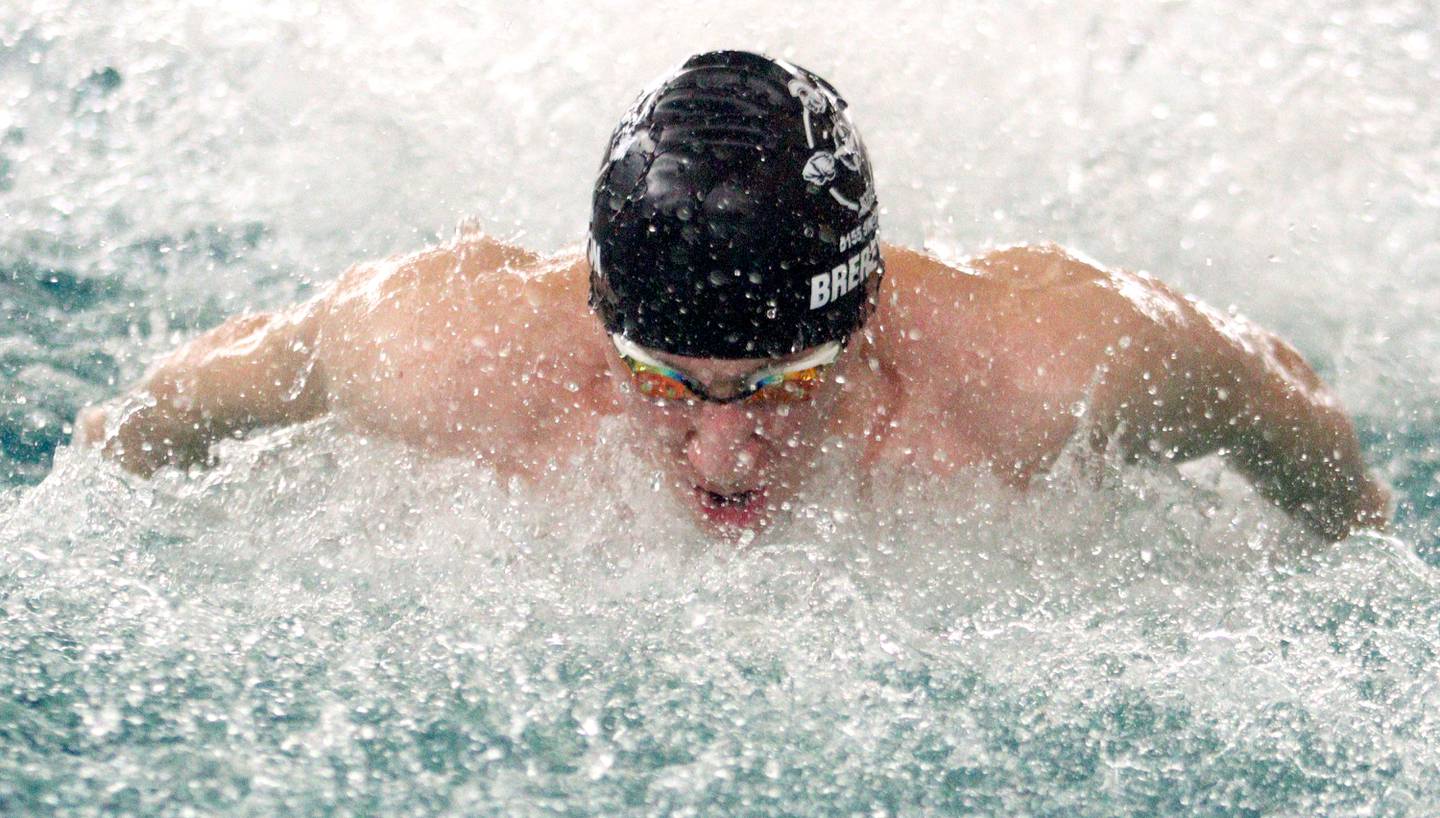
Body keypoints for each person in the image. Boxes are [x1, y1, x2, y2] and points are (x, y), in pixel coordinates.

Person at [74, 50, 1389, 541]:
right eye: (666, 383)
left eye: (780, 388)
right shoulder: (437, 353)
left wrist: (1359, 547)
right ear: (603, 322)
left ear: (859, 324)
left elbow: (1290, 407)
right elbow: (186, 396)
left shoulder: (1049, 368)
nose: (724, 450)